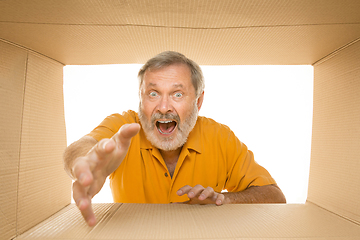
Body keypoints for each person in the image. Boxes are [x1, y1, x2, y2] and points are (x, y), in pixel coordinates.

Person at [63, 51, 286, 227]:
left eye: (177, 94)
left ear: (198, 102)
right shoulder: (124, 129)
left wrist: (224, 200)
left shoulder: (220, 137)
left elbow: (274, 196)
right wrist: (85, 165)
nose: (163, 107)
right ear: (141, 99)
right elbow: (84, 146)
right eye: (153, 94)